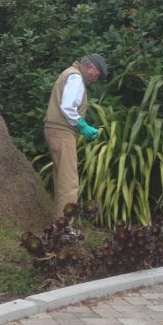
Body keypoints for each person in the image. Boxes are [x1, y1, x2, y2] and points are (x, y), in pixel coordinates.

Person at [44, 53, 108, 220]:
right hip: (62, 133)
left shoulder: (70, 73)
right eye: (97, 74)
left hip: (55, 130)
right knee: (69, 182)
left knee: (61, 179)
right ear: (90, 67)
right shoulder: (76, 78)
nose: (96, 78)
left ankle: (59, 223)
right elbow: (67, 106)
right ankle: (65, 227)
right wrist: (83, 126)